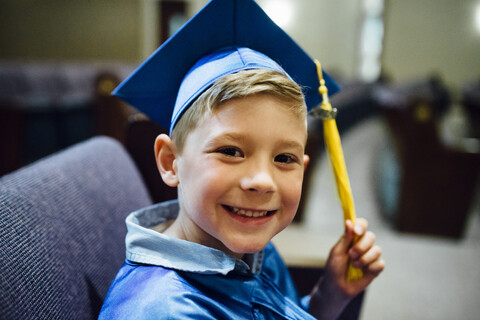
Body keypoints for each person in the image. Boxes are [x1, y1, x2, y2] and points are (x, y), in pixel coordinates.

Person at [99, 0, 384, 319]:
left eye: (284, 157)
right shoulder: (167, 311)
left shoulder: (252, 252)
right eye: (231, 151)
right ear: (170, 162)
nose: (261, 180)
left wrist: (328, 294)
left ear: (303, 168)